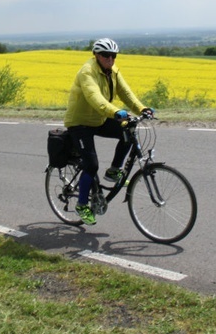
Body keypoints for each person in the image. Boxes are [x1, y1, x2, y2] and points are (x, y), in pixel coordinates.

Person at [63, 38, 153, 225]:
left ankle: (113, 171)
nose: (110, 59)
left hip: (99, 119)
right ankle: (81, 205)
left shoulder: (113, 70)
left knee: (128, 131)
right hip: (79, 123)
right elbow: (94, 97)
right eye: (106, 55)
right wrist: (115, 112)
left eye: (113, 56)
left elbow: (125, 93)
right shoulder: (87, 72)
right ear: (95, 55)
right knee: (91, 165)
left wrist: (142, 109)